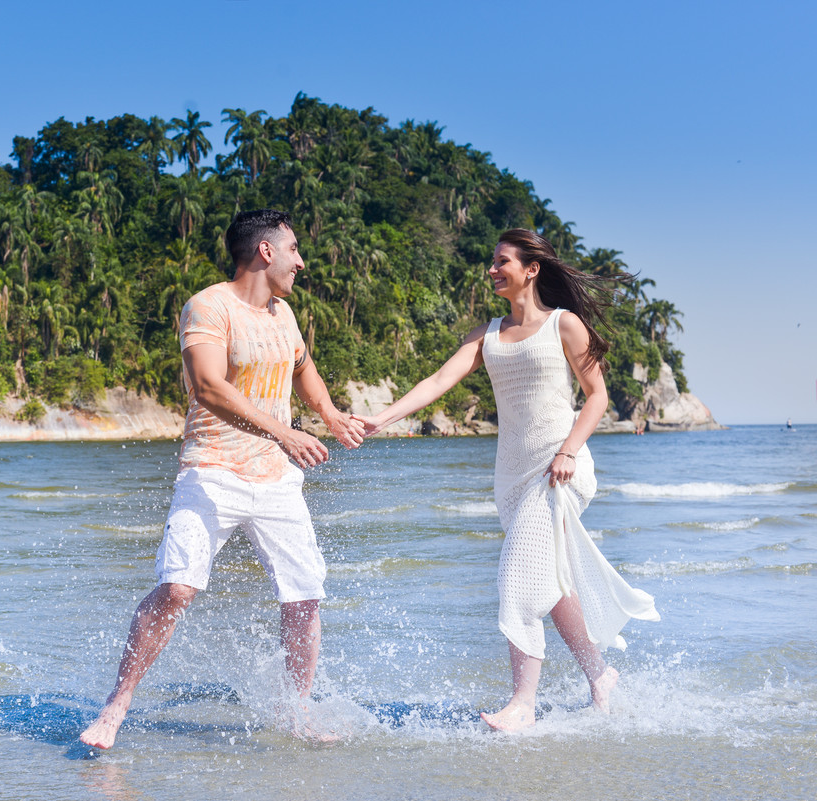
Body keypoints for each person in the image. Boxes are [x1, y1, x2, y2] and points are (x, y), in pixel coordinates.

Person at [79, 209, 365, 750]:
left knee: (304, 596)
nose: (301, 262)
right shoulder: (208, 306)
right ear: (266, 252)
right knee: (178, 588)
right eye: (295, 250)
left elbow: (302, 366)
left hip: (276, 479)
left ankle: (299, 711)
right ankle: (116, 706)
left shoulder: (284, 314)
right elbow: (208, 387)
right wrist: (285, 431)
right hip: (211, 470)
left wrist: (328, 414)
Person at [354, 228, 660, 732]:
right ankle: (600, 675)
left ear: (531, 269)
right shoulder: (488, 334)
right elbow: (437, 381)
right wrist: (380, 419)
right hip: (513, 476)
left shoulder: (565, 325)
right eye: (492, 262)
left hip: (560, 468)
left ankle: (523, 702)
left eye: (502, 262)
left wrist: (568, 451)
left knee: (517, 576)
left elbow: (598, 397)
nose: (492, 269)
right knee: (553, 583)